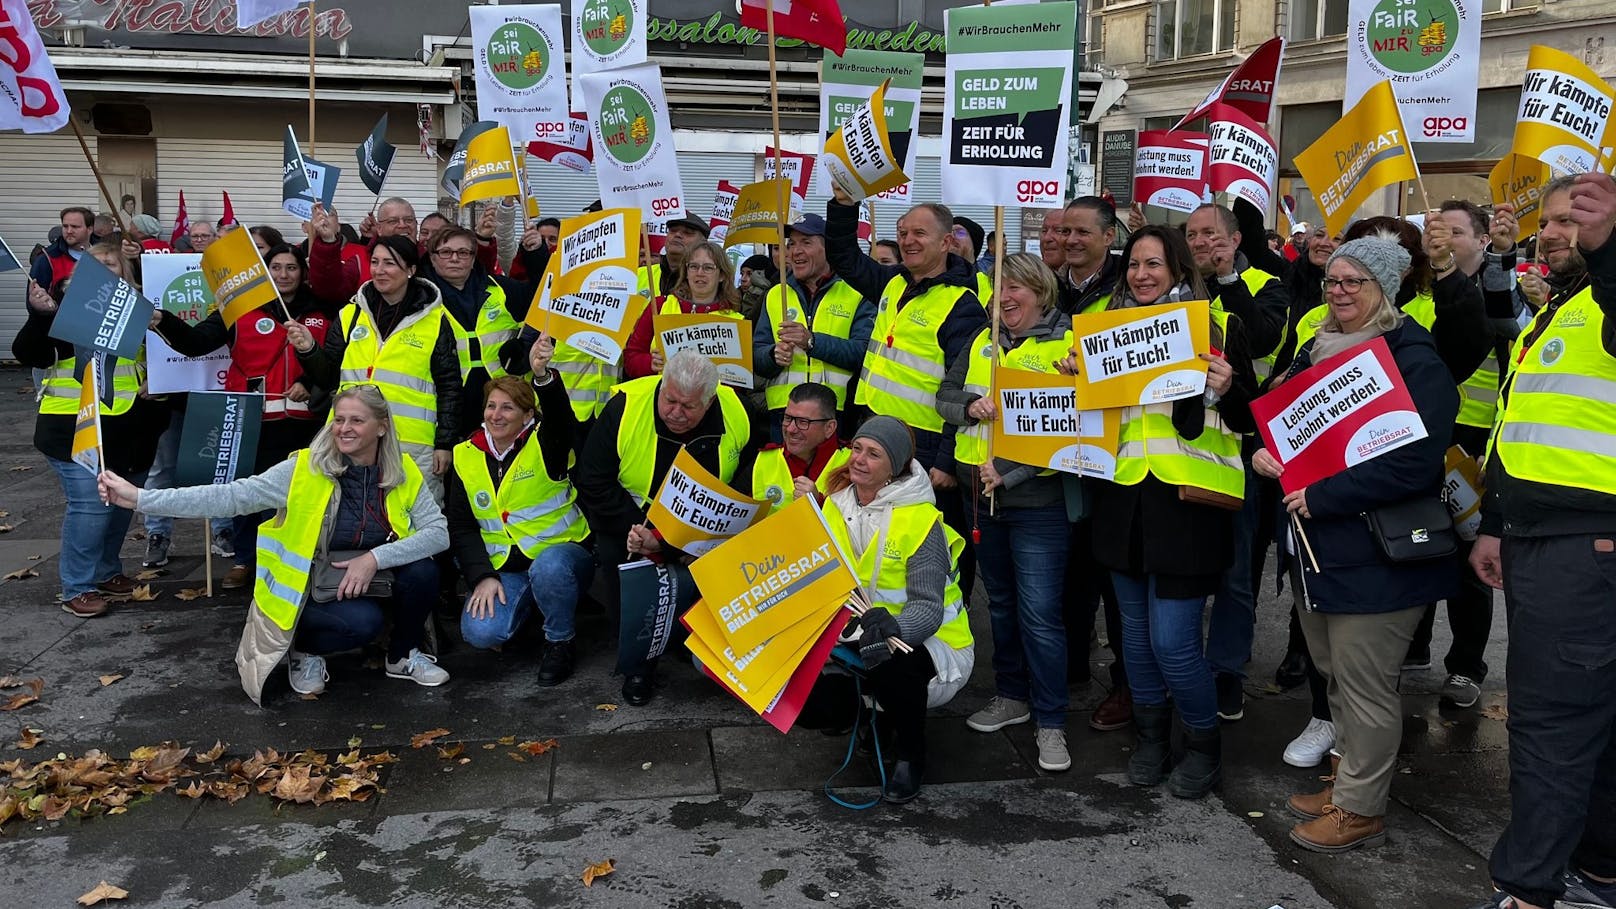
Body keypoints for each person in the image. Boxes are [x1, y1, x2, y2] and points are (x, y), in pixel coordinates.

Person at [1253, 235, 1459, 854]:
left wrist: (1321, 495)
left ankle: (1361, 808)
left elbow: (1417, 463)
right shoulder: (1317, 349)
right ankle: (1349, 782)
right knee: (1336, 677)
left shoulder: (1414, 358)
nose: (1339, 293)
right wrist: (1270, 457)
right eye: (1333, 282)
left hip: (1377, 553)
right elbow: (1288, 428)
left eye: (1354, 283)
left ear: (1386, 288)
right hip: (1322, 551)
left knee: (1366, 685)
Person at [1465, 173, 1616, 909]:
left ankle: (1526, 891)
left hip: (1585, 546)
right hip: (1541, 539)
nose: (1557, 232)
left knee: (1550, 722)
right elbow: (1519, 429)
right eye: (1549, 221)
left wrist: (1611, 240)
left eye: (1574, 219)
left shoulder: (1605, 300)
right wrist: (1495, 523)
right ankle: (1598, 870)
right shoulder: (1557, 310)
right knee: (1593, 718)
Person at [100, 386, 450, 702]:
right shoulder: (303, 469)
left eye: (357, 420)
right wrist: (141, 499)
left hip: (372, 577)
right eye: (339, 419)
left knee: (424, 571)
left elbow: (438, 532)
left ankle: (401, 656)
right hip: (309, 590)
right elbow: (232, 497)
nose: (344, 428)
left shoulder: (402, 470)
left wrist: (374, 557)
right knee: (364, 622)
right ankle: (304, 650)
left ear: (382, 426)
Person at [1089, 225, 1254, 800]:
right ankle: (1153, 738)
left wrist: (1228, 386)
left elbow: (1251, 420)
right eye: (1133, 264)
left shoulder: (1219, 326)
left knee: (1173, 642)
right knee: (1133, 639)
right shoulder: (1105, 334)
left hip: (1187, 505)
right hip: (1124, 501)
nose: (1140, 275)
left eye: (1154, 264)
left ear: (1179, 271)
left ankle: (1204, 747)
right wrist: (1074, 381)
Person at [937, 253, 1075, 773]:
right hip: (981, 496)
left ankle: (1052, 721)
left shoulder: (1068, 345)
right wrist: (969, 408)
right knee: (999, 605)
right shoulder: (981, 340)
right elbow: (943, 397)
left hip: (1038, 502)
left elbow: (1069, 430)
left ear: (1041, 291)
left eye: (1015, 286)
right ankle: (1012, 697)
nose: (1005, 297)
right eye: (999, 288)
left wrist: (1010, 473)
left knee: (1040, 616)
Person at [824, 187, 990, 603]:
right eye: (902, 232)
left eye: (919, 233)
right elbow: (844, 256)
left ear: (947, 242)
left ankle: (950, 617)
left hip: (928, 442)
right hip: (878, 431)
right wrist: (844, 206)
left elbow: (964, 386)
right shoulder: (893, 282)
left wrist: (948, 460)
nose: (908, 241)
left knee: (935, 543)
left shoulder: (961, 303)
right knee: (880, 535)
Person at [573, 351, 757, 706]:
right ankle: (638, 665)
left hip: (706, 526)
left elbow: (750, 470)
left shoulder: (737, 409)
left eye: (688, 406)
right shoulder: (625, 406)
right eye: (669, 399)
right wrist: (639, 531)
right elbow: (592, 480)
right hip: (631, 520)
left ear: (710, 400)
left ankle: (712, 652)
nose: (675, 412)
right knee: (627, 579)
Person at [806, 416, 974, 803]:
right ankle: (874, 717)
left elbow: (929, 609)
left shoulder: (919, 520)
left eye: (873, 454)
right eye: (857, 448)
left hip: (932, 645)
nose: (859, 459)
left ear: (893, 468)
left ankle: (910, 756)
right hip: (858, 636)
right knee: (807, 699)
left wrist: (892, 626)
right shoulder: (834, 505)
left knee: (894, 666)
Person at [150, 243, 338, 585]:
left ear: (303, 272)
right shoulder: (238, 309)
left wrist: (310, 381)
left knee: (297, 498)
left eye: (291, 268)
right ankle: (244, 559)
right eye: (276, 268)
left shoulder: (323, 311)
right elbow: (195, 343)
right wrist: (162, 319)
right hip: (251, 422)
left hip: (305, 425)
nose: (284, 274)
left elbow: (335, 362)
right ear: (265, 273)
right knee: (248, 494)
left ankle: (292, 561)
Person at [1182, 201, 1292, 723]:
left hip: (1240, 448)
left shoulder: (1268, 285)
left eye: (1210, 234)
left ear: (1233, 239)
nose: (1200, 243)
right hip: (1175, 451)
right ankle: (1177, 662)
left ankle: (1227, 668)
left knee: (1234, 569)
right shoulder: (1174, 292)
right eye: (1192, 234)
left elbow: (1267, 339)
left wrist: (1228, 278)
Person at [14, 243, 164, 618]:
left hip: (129, 428)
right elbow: (29, 353)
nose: (102, 268)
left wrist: (159, 381)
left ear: (125, 273)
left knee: (119, 508)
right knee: (90, 508)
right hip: (70, 427)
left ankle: (106, 571)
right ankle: (77, 588)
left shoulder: (141, 313)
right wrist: (39, 316)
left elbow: (159, 360)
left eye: (110, 263)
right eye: (93, 263)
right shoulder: (61, 311)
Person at [447, 357, 594, 684]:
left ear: (528, 415)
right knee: (480, 633)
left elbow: (561, 417)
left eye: (508, 408)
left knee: (549, 568)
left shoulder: (546, 440)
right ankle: (529, 611)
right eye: (491, 406)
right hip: (506, 566)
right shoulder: (465, 455)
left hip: (562, 557)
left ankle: (560, 641)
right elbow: (462, 527)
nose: (495, 415)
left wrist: (543, 375)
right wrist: (482, 576)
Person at [289, 235, 462, 501]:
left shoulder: (435, 320)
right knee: (350, 513)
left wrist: (444, 444)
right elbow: (327, 377)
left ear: (411, 270)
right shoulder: (351, 314)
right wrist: (308, 349)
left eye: (390, 263)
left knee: (415, 518)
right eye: (375, 262)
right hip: (350, 437)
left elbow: (450, 387)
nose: (380, 270)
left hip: (412, 443)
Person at [753, 214, 876, 436]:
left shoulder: (856, 292)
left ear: (828, 248)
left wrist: (811, 341)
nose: (795, 251)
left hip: (833, 415)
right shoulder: (775, 294)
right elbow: (756, 353)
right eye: (791, 244)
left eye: (806, 242)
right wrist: (772, 355)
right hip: (784, 413)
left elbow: (864, 353)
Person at [624, 241, 746, 380]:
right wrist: (649, 363)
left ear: (722, 275)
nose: (699, 273)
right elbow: (631, 358)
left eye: (708, 268)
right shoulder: (659, 306)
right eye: (693, 266)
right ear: (686, 272)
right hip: (660, 397)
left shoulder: (736, 321)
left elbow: (738, 382)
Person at [740, 381, 847, 512]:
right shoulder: (763, 460)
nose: (790, 429)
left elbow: (866, 524)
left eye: (803, 422)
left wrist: (819, 504)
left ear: (829, 428)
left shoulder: (853, 464)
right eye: (787, 418)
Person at [1057, 196, 1123, 315]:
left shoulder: (1127, 285)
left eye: (1083, 232)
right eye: (1065, 231)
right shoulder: (1044, 284)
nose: (1071, 240)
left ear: (1108, 236)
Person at [29, 206, 95, 293]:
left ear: (89, 229)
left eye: (75, 227)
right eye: (65, 226)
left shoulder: (105, 256)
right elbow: (32, 302)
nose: (69, 231)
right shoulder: (46, 259)